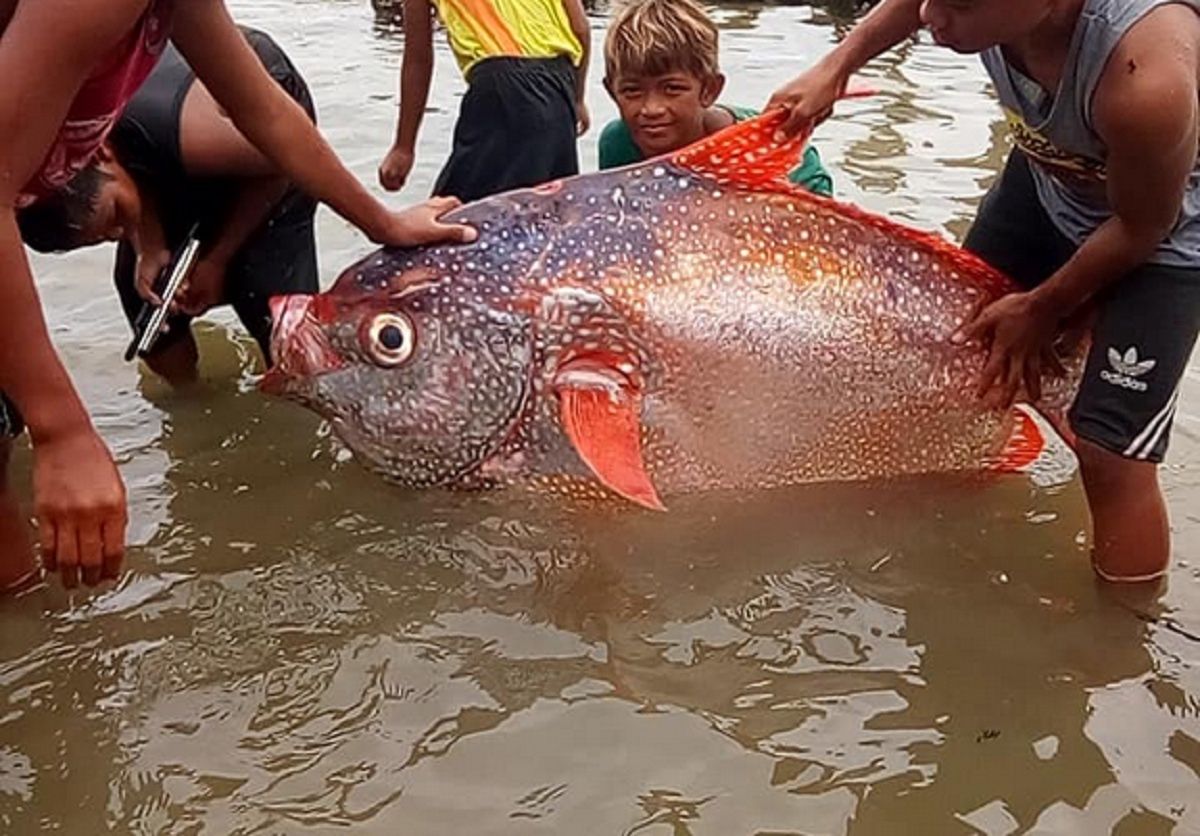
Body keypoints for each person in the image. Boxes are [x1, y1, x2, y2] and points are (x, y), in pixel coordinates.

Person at [1, 0, 473, 592]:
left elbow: (268, 113)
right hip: (175, 145)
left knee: (278, 317)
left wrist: (382, 223)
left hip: (236, 148)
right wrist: (63, 432)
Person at [768, 0, 1200, 582]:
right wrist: (838, 65)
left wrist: (1042, 305)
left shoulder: (1145, 79)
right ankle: (954, 534)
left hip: (1166, 235)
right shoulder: (976, 12)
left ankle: (1124, 635)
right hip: (1051, 178)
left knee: (1110, 453)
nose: (931, 17)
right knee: (958, 350)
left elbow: (1144, 226)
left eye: (959, 6)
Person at [18, 27, 317, 385]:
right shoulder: (59, 138)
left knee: (282, 328)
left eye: (114, 218)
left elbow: (293, 160)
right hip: (156, 153)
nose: (118, 234)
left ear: (101, 155)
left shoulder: (191, 135)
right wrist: (148, 244)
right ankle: (190, 403)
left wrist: (218, 259)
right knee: (144, 295)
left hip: (271, 137)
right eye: (103, 238)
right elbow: (119, 190)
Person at [598, 0, 832, 196]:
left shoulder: (794, 165)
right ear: (612, 93)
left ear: (709, 90)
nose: (651, 108)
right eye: (632, 91)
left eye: (672, 89)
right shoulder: (619, 144)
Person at [378, 0, 592, 202]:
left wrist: (403, 147)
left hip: (503, 90)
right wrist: (577, 99)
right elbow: (581, 29)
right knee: (550, 214)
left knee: (452, 218)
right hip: (560, 87)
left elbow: (418, 59)